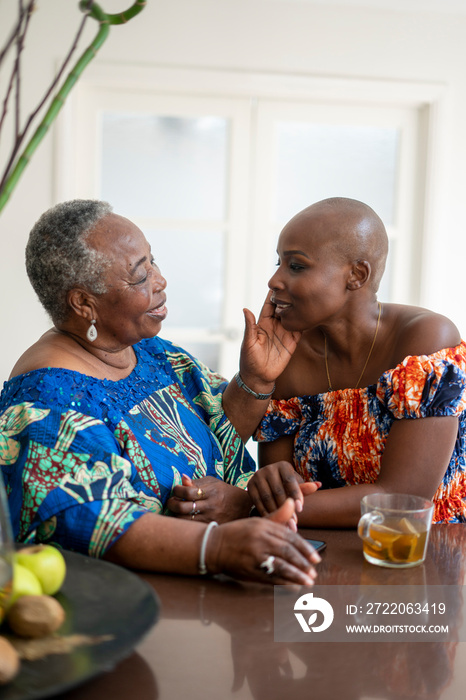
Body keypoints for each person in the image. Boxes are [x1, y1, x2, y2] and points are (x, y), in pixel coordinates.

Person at [0, 199, 320, 585]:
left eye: (153, 261)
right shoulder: (47, 400)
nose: (159, 280)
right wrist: (217, 546)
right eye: (139, 276)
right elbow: (89, 519)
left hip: (202, 590)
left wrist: (256, 380)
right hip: (132, 603)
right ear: (84, 303)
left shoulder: (148, 352)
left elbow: (216, 434)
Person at [247, 197, 466, 526]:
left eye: (296, 266)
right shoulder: (287, 353)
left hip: (426, 551)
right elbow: (279, 487)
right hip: (317, 547)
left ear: (357, 275)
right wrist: (271, 488)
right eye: (278, 262)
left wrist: (247, 507)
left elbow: (402, 497)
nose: (274, 280)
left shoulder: (425, 339)